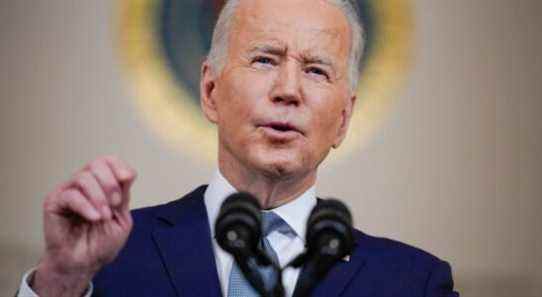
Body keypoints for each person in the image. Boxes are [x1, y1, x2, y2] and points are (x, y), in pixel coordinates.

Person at [17, 0, 459, 296]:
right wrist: (61, 281)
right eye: (265, 59)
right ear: (210, 91)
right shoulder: (105, 261)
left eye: (316, 70)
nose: (288, 90)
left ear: (343, 119)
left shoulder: (412, 283)